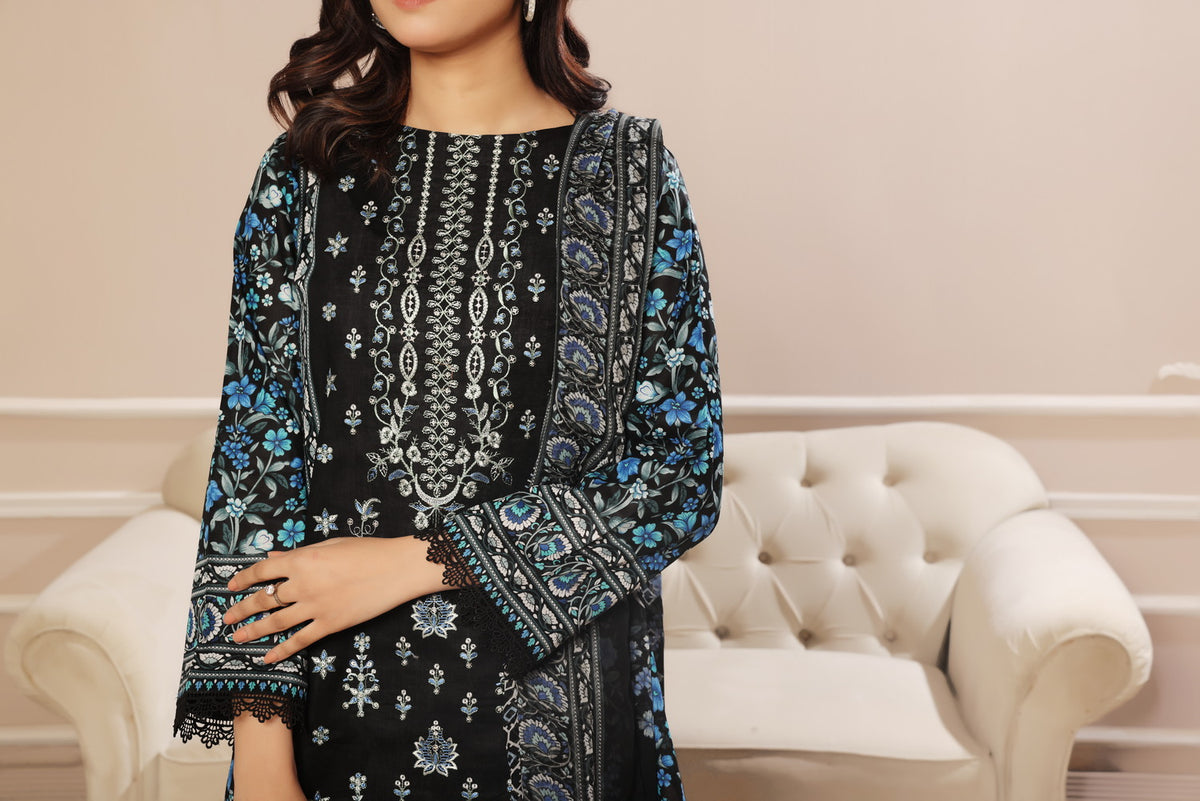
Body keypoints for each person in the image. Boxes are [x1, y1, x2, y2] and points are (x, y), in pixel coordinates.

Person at [172, 1, 723, 799]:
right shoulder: (304, 173)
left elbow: (679, 475)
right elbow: (253, 472)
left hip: (565, 738)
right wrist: (261, 764)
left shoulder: (627, 170)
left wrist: (416, 561)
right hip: (334, 727)